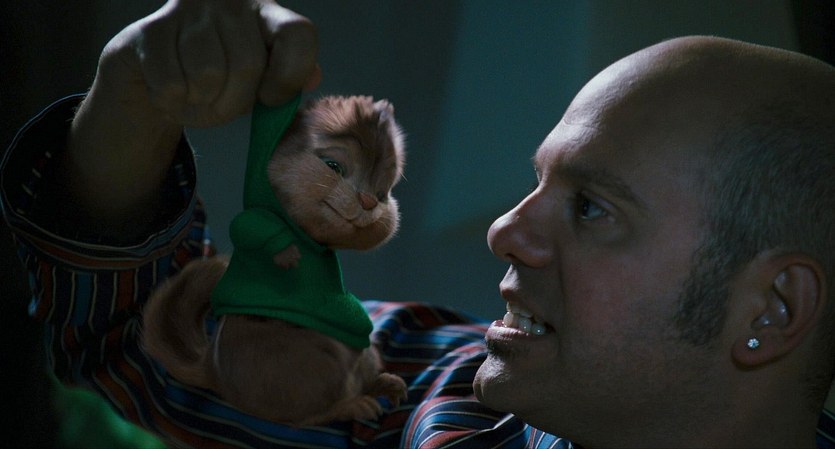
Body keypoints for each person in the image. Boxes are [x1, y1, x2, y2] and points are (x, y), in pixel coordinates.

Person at [2, 0, 835, 448]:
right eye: (536, 183)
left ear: (770, 310)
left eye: (591, 207)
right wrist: (132, 98)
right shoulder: (399, 389)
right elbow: (132, 338)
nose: (505, 231)